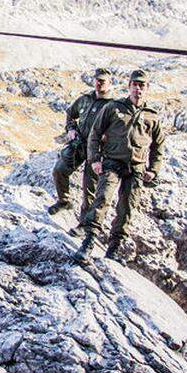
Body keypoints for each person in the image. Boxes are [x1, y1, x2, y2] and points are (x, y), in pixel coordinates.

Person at [71, 69, 166, 265]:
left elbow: (158, 146)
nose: (138, 89)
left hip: (136, 168)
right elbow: (95, 133)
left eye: (142, 86)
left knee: (127, 208)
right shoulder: (114, 108)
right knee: (102, 199)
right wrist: (94, 159)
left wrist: (153, 170)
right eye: (135, 85)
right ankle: (88, 243)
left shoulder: (152, 117)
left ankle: (113, 250)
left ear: (146, 89)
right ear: (129, 86)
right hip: (112, 162)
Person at [49, 68, 114, 217]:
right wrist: (71, 129)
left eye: (103, 81)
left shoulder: (112, 105)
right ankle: (63, 201)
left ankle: (84, 223)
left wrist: (108, 136)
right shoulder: (85, 99)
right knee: (59, 170)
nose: (99, 83)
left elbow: (118, 129)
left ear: (110, 83)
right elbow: (70, 114)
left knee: (89, 187)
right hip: (79, 144)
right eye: (97, 80)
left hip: (98, 150)